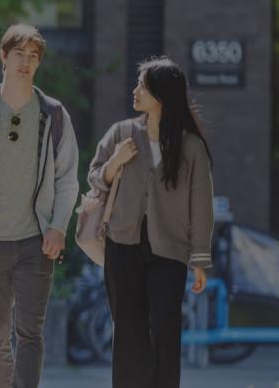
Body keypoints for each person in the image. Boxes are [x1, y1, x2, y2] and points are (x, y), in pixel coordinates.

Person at [0, 23, 80, 388]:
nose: (26, 62)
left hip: (35, 242)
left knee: (30, 334)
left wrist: (58, 226)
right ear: (3, 56)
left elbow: (68, 179)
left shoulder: (53, 116)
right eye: (19, 54)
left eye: (33, 56)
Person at [88, 57, 214, 388]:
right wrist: (115, 163)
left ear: (161, 94)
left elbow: (200, 206)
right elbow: (95, 178)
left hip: (169, 250)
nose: (135, 91)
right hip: (122, 245)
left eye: (142, 85)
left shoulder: (190, 147)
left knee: (163, 328)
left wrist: (200, 258)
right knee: (128, 331)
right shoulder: (122, 133)